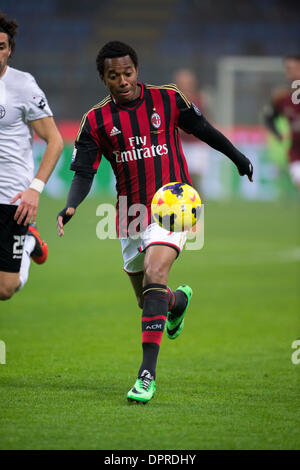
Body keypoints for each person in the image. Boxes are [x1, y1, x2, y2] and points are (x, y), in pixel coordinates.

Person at [57, 41, 253, 404]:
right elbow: (84, 173)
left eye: (128, 72)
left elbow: (204, 129)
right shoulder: (95, 121)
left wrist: (238, 157)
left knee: (155, 274)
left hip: (173, 204)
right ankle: (177, 303)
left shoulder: (168, 99)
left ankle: (146, 376)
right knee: (149, 298)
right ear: (103, 78)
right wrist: (70, 207)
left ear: (137, 70)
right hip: (130, 214)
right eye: (113, 75)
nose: (123, 81)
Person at [0, 13, 63, 301]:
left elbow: (54, 141)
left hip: (11, 197)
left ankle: (28, 241)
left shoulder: (22, 85)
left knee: (5, 289)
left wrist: (35, 189)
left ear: (10, 49)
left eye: (1, 46)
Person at [264, 55, 300, 191]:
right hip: (296, 150)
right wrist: (278, 134)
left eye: (294, 68)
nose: (290, 71)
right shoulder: (283, 98)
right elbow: (269, 118)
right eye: (288, 68)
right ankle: (197, 210)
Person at [173, 68, 210, 196]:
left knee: (193, 177)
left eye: (187, 82)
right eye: (181, 82)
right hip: (179, 144)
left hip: (196, 145)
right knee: (178, 177)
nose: (184, 85)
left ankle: (196, 204)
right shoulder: (172, 99)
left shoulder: (198, 100)